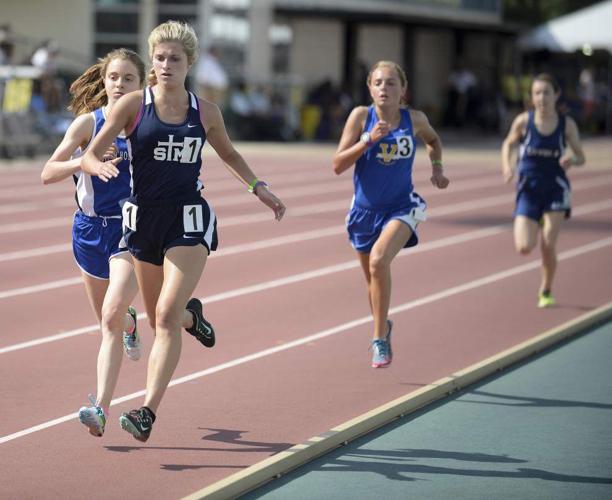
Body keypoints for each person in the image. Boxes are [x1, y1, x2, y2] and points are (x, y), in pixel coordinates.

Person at [82, 20, 286, 442]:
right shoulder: (133, 106)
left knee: (164, 317)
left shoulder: (205, 112)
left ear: (190, 63)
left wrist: (258, 187)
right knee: (164, 317)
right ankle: (195, 316)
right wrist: (98, 164)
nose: (166, 65)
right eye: (159, 58)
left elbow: (228, 152)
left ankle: (146, 413)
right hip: (142, 222)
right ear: (152, 61)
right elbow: (91, 152)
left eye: (175, 58)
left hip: (187, 219)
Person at [41, 48, 147, 437]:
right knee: (111, 319)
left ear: (143, 84)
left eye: (129, 78)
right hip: (88, 232)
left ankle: (99, 406)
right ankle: (131, 322)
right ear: (104, 82)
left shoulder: (148, 127)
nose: (120, 84)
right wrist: (84, 161)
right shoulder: (89, 124)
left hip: (131, 230)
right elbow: (48, 172)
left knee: (108, 320)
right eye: (114, 77)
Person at [332, 60, 449, 368]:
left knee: (379, 260)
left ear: (403, 90)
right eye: (379, 83)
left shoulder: (416, 120)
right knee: (373, 280)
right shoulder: (360, 117)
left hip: (401, 207)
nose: (385, 88)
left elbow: (434, 141)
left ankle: (378, 338)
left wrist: (437, 169)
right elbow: (338, 164)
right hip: (363, 212)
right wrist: (368, 140)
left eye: (391, 83)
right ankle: (384, 325)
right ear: (370, 89)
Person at [501, 73, 585, 308]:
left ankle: (546, 289)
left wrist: (571, 159)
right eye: (537, 93)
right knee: (525, 247)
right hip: (528, 190)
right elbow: (508, 143)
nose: (542, 98)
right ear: (532, 97)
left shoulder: (566, 125)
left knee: (548, 244)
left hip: (555, 190)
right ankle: (535, 220)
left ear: (556, 95)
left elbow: (581, 157)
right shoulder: (523, 122)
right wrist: (508, 166)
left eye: (546, 92)